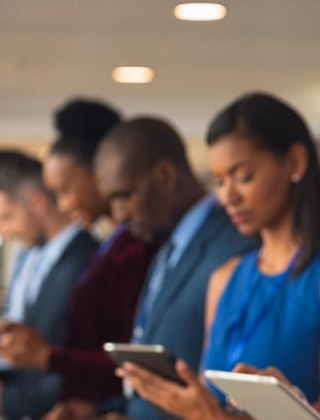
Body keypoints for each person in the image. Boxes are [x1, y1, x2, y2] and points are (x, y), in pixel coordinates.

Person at [119, 93, 320, 419]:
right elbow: (210, 400)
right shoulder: (225, 276)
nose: (228, 196)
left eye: (243, 176)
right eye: (218, 181)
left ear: (294, 162)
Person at [0, 98, 161, 416]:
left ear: (100, 174)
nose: (61, 205)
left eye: (65, 190)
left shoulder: (131, 249)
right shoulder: (113, 246)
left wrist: (48, 358)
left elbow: (131, 352)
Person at [96, 117, 257, 420]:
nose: (119, 215)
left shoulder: (237, 244)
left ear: (165, 175)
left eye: (124, 195)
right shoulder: (167, 245)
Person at [0, 151, 100, 419]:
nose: (0, 229)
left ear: (38, 203)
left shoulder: (91, 262)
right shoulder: (29, 258)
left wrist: (4, 397)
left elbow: (91, 368)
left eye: (5, 217)